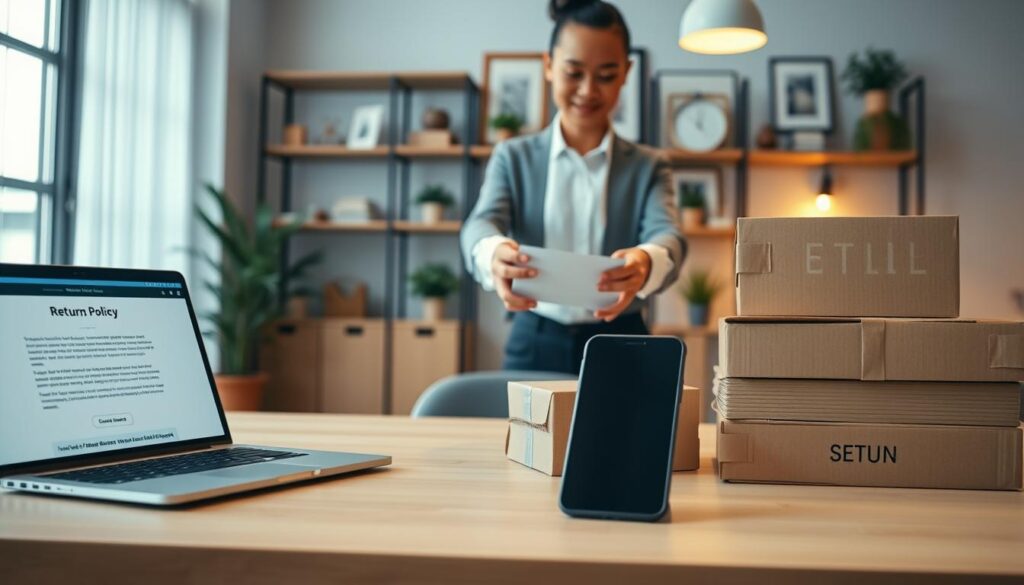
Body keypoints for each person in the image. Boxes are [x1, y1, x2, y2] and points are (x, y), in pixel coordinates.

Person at [460, 0, 686, 374]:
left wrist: (646, 261)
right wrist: (493, 251)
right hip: (533, 336)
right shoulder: (512, 156)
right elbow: (480, 224)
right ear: (548, 66)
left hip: (622, 338)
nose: (587, 90)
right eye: (573, 72)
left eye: (606, 75)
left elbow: (669, 234)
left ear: (626, 73)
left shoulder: (649, 165)